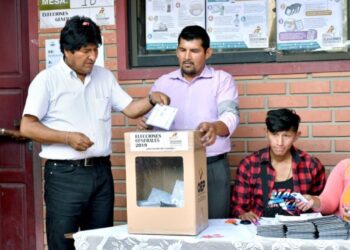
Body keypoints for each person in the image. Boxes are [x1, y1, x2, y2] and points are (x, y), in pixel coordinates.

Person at [20, 16, 169, 250]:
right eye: (85, 51)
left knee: (100, 241)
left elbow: (130, 108)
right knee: (63, 242)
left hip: (101, 173)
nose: (92, 57)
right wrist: (67, 137)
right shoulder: (46, 80)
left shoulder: (104, 77)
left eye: (95, 50)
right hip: (64, 176)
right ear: (67, 51)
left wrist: (151, 99)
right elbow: (27, 126)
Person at [137, 25, 240, 219]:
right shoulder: (163, 82)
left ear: (207, 53)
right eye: (182, 50)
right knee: (173, 223)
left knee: (215, 226)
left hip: (210, 166)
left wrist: (214, 127)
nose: (187, 57)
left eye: (194, 51)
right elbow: (154, 120)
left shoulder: (221, 80)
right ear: (177, 51)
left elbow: (231, 116)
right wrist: (146, 124)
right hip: (170, 166)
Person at [231, 108, 326, 223]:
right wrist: (243, 214)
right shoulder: (249, 165)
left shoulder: (312, 165)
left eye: (286, 136)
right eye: (274, 135)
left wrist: (315, 201)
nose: (279, 142)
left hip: (300, 232)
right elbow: (237, 207)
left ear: (296, 136)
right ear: (266, 133)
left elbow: (324, 206)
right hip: (260, 233)